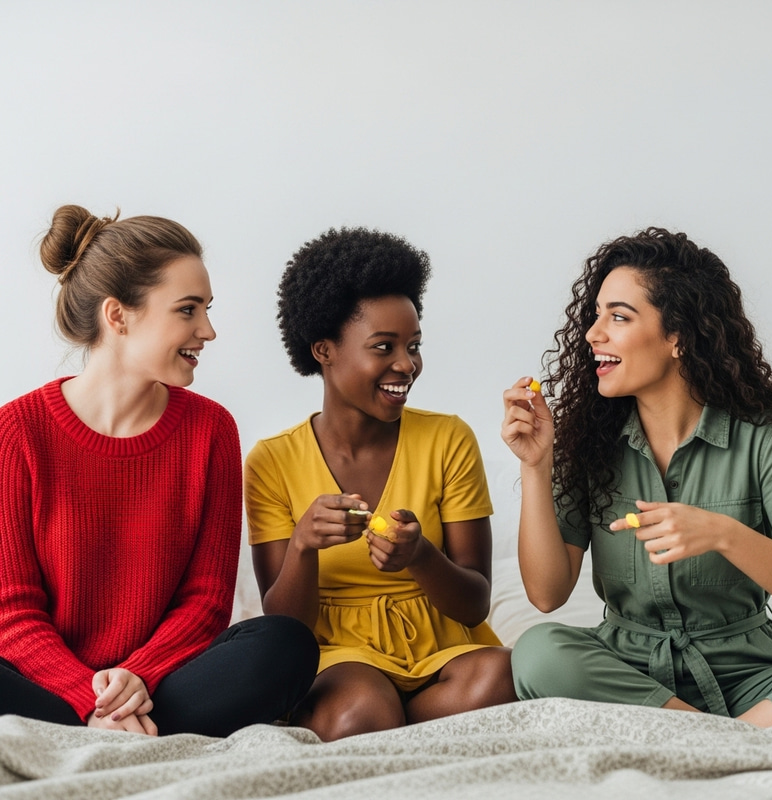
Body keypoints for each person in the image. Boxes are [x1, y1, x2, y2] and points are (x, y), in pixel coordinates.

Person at [0, 204, 319, 737]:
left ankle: (111, 728)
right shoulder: (16, 432)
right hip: (50, 687)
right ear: (118, 315)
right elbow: (12, 611)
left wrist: (137, 677)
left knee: (284, 643)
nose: (208, 331)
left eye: (207, 310)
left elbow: (207, 601)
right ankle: (119, 729)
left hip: (165, 682)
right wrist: (88, 696)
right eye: (188, 310)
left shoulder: (211, 430)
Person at [501, 227, 772, 728]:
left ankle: (695, 737)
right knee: (537, 651)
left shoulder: (769, 437)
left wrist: (722, 534)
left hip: (753, 675)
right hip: (632, 674)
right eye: (596, 314)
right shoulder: (586, 441)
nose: (593, 333)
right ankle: (728, 738)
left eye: (617, 316)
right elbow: (547, 595)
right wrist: (535, 464)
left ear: (678, 335)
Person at [245, 226, 516, 741]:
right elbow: (284, 629)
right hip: (338, 657)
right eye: (383, 346)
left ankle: (397, 722)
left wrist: (420, 557)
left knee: (502, 676)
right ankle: (392, 719)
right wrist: (302, 544)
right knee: (362, 710)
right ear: (323, 350)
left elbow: (475, 601)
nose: (406, 365)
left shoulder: (448, 439)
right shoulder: (272, 461)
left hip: (444, 649)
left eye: (413, 346)